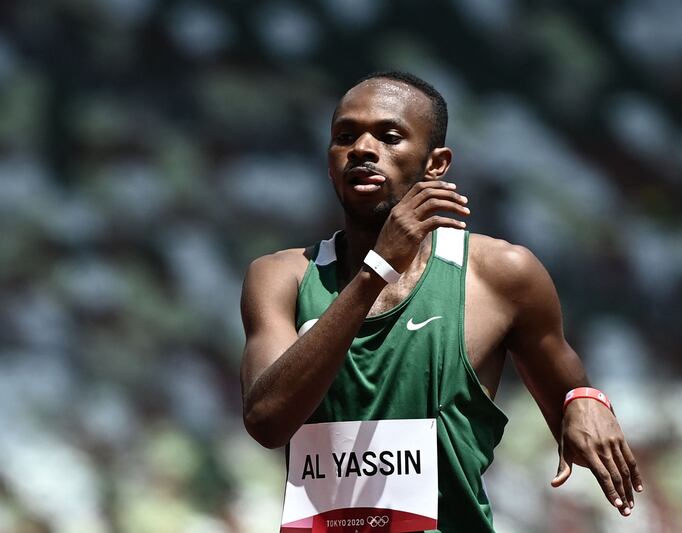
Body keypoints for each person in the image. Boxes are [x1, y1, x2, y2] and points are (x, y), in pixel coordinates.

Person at [240, 71, 643, 532]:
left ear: (436, 164)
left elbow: (570, 386)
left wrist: (584, 399)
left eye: (389, 136)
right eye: (345, 136)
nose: (363, 149)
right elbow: (266, 421)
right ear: (330, 161)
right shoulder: (281, 277)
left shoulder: (502, 275)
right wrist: (378, 270)